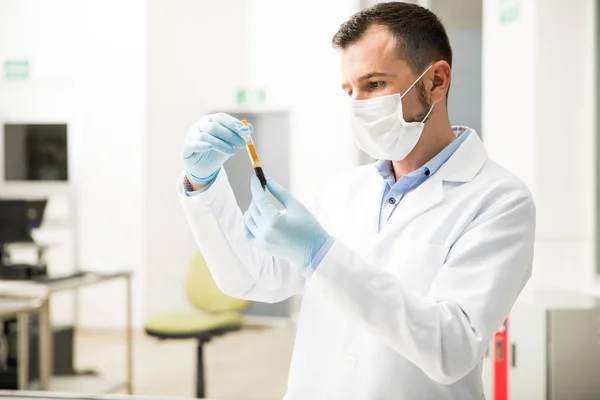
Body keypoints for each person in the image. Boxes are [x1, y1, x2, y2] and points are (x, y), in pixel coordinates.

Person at [177, 2, 535, 399]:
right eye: (350, 91)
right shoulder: (342, 191)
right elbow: (252, 277)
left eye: (375, 84)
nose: (359, 104)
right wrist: (203, 182)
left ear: (436, 80)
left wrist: (321, 254)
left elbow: (451, 348)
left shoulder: (499, 200)